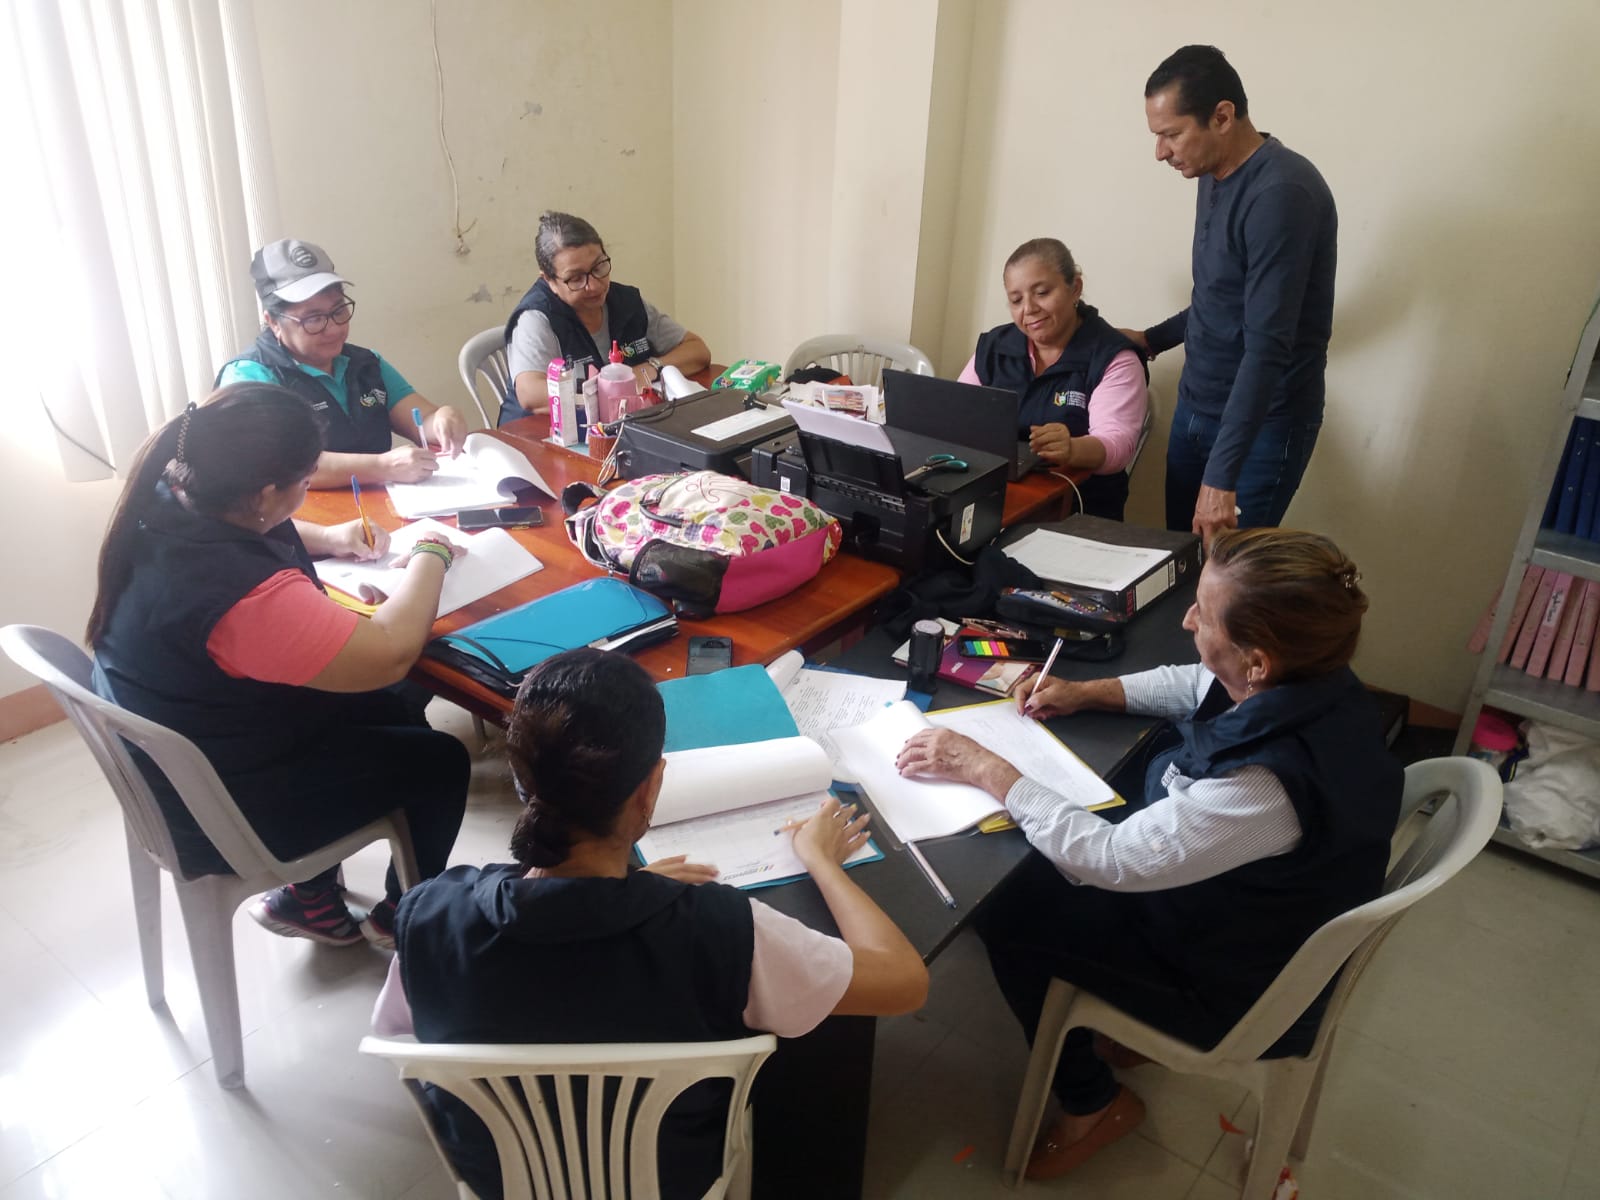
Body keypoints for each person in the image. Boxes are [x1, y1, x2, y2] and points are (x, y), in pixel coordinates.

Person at [894, 528, 1400, 1180]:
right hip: (1255, 913)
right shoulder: (1315, 681)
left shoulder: (1265, 785)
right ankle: (1112, 1037)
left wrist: (985, 766)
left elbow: (1110, 860)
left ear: (1257, 661)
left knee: (1007, 909)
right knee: (1063, 835)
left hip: (1227, 981)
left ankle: (1092, 1102)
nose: (1187, 620)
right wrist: (1087, 691)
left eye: (1204, 615)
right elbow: (1199, 683)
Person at [372, 647, 928, 1200]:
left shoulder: (429, 918)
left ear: (521, 777)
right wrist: (823, 861)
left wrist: (629, 890)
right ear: (649, 788)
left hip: (502, 1181)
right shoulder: (722, 929)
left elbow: (403, 1033)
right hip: (675, 1180)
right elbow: (904, 982)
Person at [88, 383, 471, 948]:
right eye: (306, 480)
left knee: (398, 705)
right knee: (440, 759)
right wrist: (431, 553)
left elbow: (264, 538)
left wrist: (329, 539)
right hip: (222, 809)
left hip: (189, 750)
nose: (308, 487)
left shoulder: (170, 500)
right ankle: (403, 916)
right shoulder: (236, 594)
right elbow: (391, 651)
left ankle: (311, 899)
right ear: (265, 494)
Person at [1118, 46, 1337, 542]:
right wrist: (1152, 339)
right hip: (1198, 405)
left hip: (1262, 428)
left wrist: (1221, 477)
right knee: (1180, 561)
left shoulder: (1281, 193)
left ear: (1222, 116)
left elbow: (1268, 346)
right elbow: (1219, 295)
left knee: (1223, 577)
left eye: (1172, 134)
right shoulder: (1212, 173)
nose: (1161, 152)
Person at [217, 238, 469, 488]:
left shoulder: (365, 364)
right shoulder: (249, 378)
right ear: (273, 321)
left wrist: (443, 418)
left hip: (381, 502)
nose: (334, 329)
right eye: (313, 319)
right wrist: (382, 467)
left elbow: (421, 418)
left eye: (339, 311)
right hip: (302, 512)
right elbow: (281, 464)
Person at [960, 238, 1148, 520]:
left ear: (1075, 288)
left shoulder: (1113, 357)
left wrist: (1073, 449)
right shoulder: (995, 346)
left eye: (1042, 293)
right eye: (1016, 300)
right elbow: (958, 412)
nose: (1029, 308)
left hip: (1077, 508)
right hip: (997, 498)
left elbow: (1117, 445)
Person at [500, 211, 710, 426]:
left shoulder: (626, 302)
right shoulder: (536, 317)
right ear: (549, 280)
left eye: (599, 267)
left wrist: (649, 369)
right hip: (541, 434)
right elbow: (530, 394)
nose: (594, 285)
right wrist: (611, 390)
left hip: (616, 427)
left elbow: (696, 350)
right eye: (576, 278)